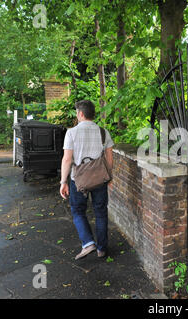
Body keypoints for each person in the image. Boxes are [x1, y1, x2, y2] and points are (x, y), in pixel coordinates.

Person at [59, 100, 114, 260]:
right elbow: (109, 159)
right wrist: (109, 177)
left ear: (81, 113)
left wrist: (63, 182)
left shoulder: (71, 133)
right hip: (99, 179)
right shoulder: (104, 132)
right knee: (101, 213)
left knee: (77, 211)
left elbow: (67, 159)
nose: (77, 115)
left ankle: (88, 243)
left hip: (79, 180)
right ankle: (102, 249)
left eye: (77, 112)